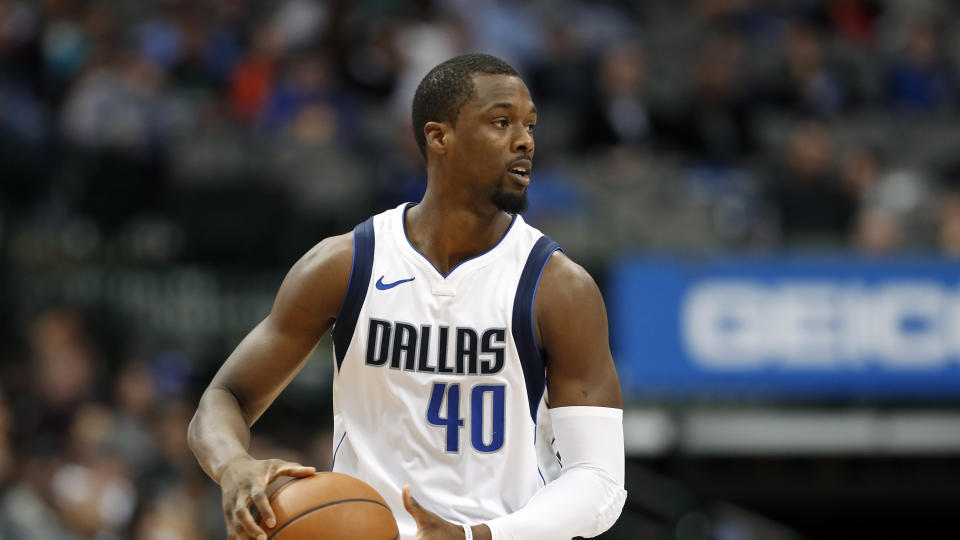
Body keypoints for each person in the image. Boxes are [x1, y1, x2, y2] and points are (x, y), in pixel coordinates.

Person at [188, 53, 626, 540]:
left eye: (529, 125)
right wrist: (233, 467)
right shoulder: (345, 264)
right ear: (439, 137)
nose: (524, 140)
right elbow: (225, 396)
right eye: (501, 122)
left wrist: (474, 536)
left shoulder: (558, 286)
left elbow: (600, 481)